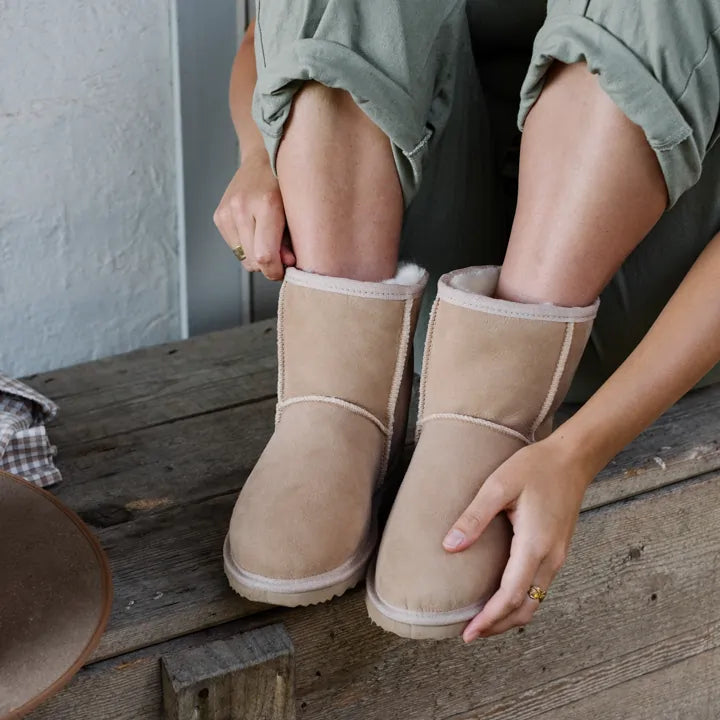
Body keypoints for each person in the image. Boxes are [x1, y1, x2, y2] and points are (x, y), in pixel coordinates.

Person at [214, 0, 720, 642]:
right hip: (416, 298)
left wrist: (575, 453)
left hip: (624, 304)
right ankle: (334, 406)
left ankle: (490, 422)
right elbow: (272, 36)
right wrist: (258, 154)